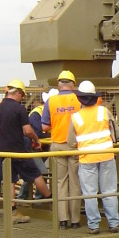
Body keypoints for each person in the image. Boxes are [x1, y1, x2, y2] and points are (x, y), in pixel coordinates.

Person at [0, 79, 51, 223]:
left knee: (10, 180)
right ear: (17, 93)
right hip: (18, 150)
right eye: (22, 95)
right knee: (36, 175)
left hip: (4, 150)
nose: (22, 98)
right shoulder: (19, 109)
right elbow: (27, 130)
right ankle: (52, 201)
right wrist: (36, 140)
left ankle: (13, 212)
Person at [68, 81, 119, 234]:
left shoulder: (76, 117)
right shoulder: (104, 112)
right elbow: (116, 134)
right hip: (106, 156)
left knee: (90, 193)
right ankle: (113, 223)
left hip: (86, 159)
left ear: (80, 99)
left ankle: (94, 225)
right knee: (109, 190)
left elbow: (71, 142)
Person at [41, 70, 83, 229]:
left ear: (59, 85)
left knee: (60, 183)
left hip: (57, 145)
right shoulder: (78, 100)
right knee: (75, 182)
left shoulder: (50, 101)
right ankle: (75, 220)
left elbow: (44, 126)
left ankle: (63, 220)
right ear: (73, 84)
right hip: (74, 146)